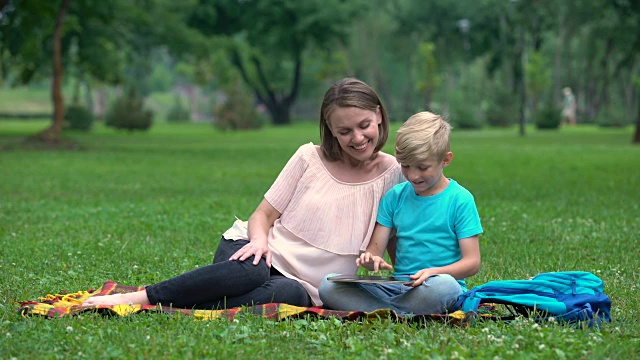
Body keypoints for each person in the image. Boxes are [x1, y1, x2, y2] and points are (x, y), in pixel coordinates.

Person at [82, 78, 405, 309]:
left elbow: (394, 239)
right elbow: (262, 216)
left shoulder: (393, 174)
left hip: (305, 284)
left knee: (291, 296)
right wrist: (259, 242)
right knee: (252, 268)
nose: (358, 138)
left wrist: (413, 283)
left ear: (378, 114)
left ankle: (189, 302)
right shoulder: (309, 157)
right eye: (345, 131)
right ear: (331, 130)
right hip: (257, 253)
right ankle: (141, 298)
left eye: (364, 125)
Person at [319, 111, 483, 315]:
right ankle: (399, 312)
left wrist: (433, 272)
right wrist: (371, 260)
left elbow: (472, 262)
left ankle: (384, 311)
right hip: (398, 287)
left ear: (445, 160)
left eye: (423, 167)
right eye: (405, 166)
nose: (413, 175)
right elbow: (374, 250)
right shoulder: (394, 197)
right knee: (328, 284)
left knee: (446, 287)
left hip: (436, 285)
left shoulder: (460, 199)